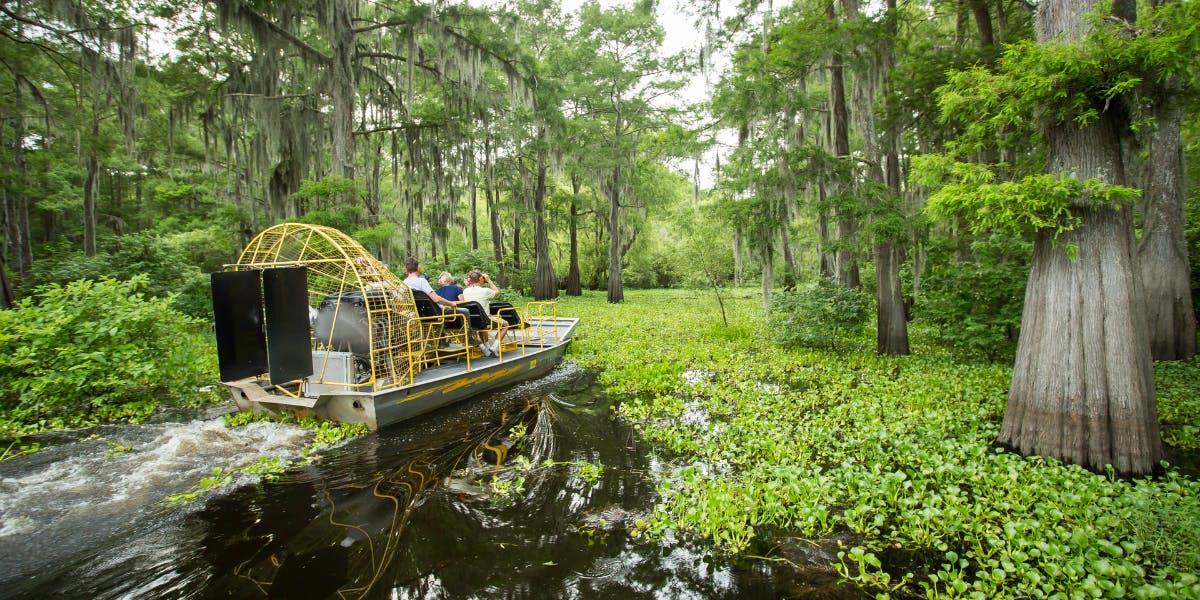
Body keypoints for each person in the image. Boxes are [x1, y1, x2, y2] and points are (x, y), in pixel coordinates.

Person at [462, 270, 508, 357]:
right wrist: (489, 281)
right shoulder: (485, 291)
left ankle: (487, 348)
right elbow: (497, 293)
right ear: (480, 279)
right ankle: (494, 347)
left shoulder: (465, 291)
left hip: (472, 320)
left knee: (482, 327)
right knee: (505, 324)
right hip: (485, 319)